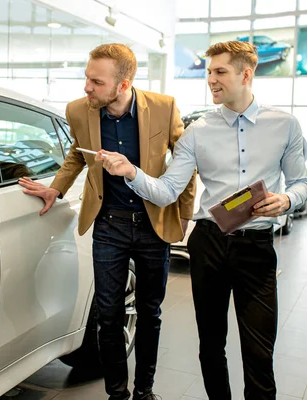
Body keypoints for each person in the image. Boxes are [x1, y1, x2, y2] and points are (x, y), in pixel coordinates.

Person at [96, 41, 307, 400]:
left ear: (246, 74)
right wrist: (131, 171)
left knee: (259, 352)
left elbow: (302, 182)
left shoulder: (284, 125)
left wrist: (287, 199)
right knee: (210, 346)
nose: (210, 79)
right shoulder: (197, 131)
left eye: (220, 72)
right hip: (209, 244)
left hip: (256, 248)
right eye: (209, 72)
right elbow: (167, 191)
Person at [18, 43, 196, 400]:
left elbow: (186, 162)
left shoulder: (164, 108)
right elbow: (76, 155)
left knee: (150, 313)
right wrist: (56, 188)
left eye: (96, 81)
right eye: (87, 78)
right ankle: (118, 394)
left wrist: (184, 213)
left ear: (124, 83)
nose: (87, 87)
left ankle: (145, 391)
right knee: (109, 315)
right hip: (109, 224)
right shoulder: (78, 111)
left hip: (153, 222)